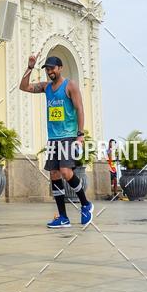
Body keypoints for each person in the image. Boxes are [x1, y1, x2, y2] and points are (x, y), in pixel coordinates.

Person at [20, 54, 93, 229]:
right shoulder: (46, 87)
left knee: (66, 171)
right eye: (47, 69)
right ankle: (63, 217)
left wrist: (80, 134)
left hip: (68, 136)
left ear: (60, 68)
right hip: (53, 138)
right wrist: (30, 68)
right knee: (54, 175)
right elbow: (24, 87)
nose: (49, 71)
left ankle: (85, 204)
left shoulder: (70, 86)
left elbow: (80, 109)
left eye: (52, 68)